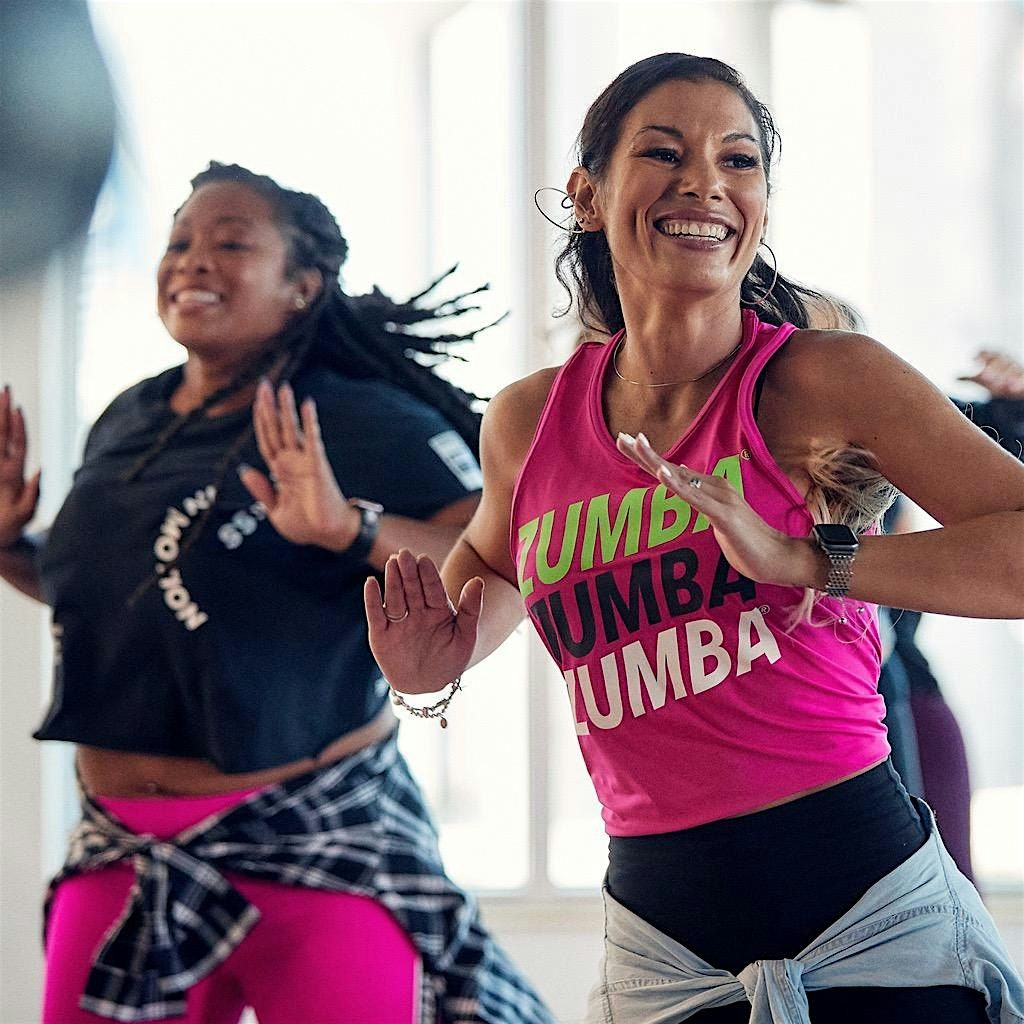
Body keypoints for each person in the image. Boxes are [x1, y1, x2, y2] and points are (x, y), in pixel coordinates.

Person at [364, 54, 1024, 1023]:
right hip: (664, 953)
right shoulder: (528, 422)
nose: (705, 183)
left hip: (870, 923)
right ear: (587, 196)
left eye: (738, 160)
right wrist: (432, 666)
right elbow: (485, 585)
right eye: (664, 153)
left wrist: (809, 560)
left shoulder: (827, 378)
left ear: (760, 204)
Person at [0, 162, 552, 1024]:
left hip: (313, 841)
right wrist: (7, 544)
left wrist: (351, 528)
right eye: (179, 241)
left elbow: (504, 557)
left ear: (303, 286)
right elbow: (114, 599)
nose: (192, 260)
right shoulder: (129, 418)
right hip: (123, 849)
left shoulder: (362, 417)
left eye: (231, 244)